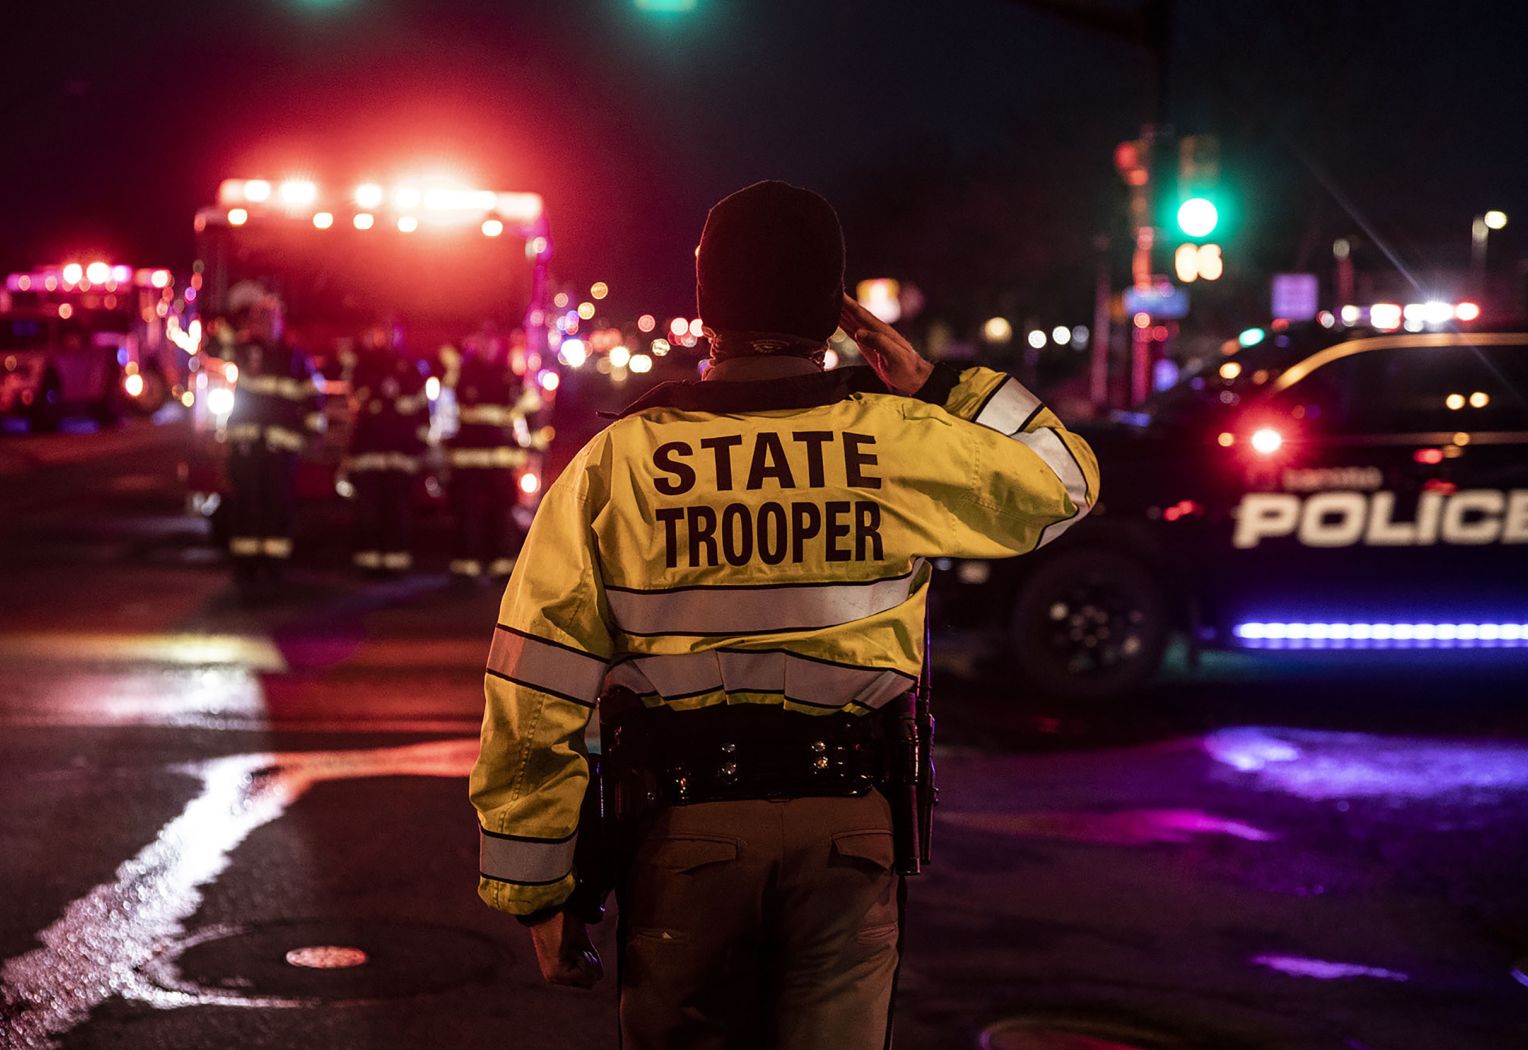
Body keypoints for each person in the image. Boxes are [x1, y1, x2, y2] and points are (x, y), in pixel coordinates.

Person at [469, 181, 1099, 1048]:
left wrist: (537, 888)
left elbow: (533, 686)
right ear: (833, 311)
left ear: (705, 303)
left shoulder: (618, 464)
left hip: (683, 840)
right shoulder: (894, 439)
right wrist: (937, 383)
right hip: (849, 835)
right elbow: (1065, 483)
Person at [218, 282, 321, 584]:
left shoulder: (296, 359)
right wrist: (238, 312)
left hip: (281, 448)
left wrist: (313, 436)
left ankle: (274, 563)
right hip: (247, 445)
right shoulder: (243, 349)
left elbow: (314, 400)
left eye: (270, 319)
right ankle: (246, 563)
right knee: (246, 503)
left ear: (280, 322)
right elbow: (214, 346)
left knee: (277, 505)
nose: (265, 325)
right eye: (259, 319)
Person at [446, 326, 540, 580]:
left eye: (490, 343)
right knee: (468, 512)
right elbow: (445, 397)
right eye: (481, 342)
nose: (486, 347)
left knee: (502, 513)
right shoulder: (464, 373)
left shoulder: (507, 375)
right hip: (469, 457)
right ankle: (466, 566)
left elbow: (532, 401)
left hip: (500, 458)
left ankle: (503, 565)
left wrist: (525, 429)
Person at [346, 322, 429, 575]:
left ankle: (396, 564)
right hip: (369, 454)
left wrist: (420, 448)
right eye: (383, 332)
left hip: (400, 456)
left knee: (398, 512)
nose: (387, 338)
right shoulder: (364, 365)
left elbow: (423, 413)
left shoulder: (414, 369)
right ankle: (368, 564)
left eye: (392, 333)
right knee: (368, 512)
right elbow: (357, 405)